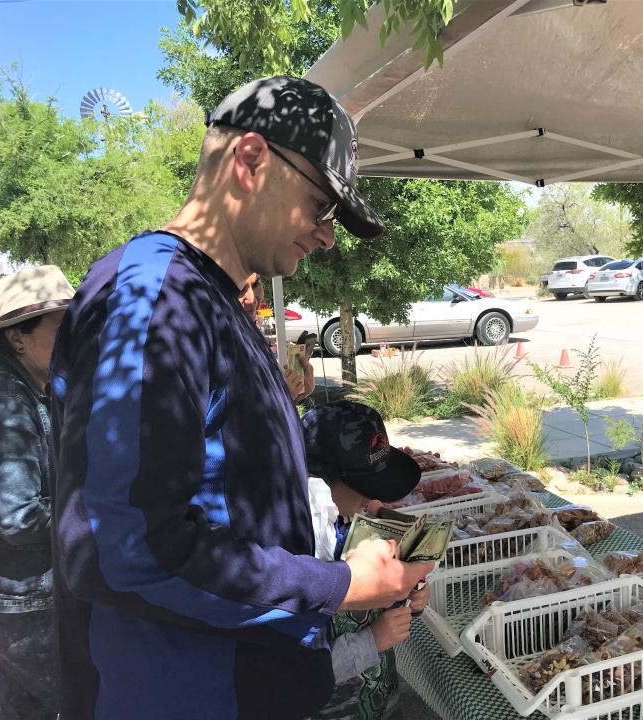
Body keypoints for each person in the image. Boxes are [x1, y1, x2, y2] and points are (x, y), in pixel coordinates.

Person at [48, 76, 432, 720]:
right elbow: (122, 547)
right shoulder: (154, 297)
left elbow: (229, 501)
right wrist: (339, 586)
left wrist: (350, 565)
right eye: (321, 206)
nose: (327, 234)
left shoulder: (211, 298)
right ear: (251, 161)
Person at [301, 400, 429, 720]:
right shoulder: (302, 557)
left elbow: (377, 610)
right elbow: (297, 667)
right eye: (363, 488)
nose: (373, 501)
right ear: (318, 482)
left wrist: (407, 600)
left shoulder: (349, 524)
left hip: (381, 696)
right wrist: (373, 640)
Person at [0, 265, 75, 719]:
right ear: (16, 338)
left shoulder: (37, 390)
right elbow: (15, 515)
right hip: (22, 602)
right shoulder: (5, 396)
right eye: (60, 326)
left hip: (27, 595)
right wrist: (92, 517)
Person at [238, 272, 315, 403]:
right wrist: (283, 395)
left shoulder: (253, 331)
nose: (251, 299)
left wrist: (301, 390)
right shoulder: (217, 342)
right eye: (239, 289)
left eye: (256, 284)